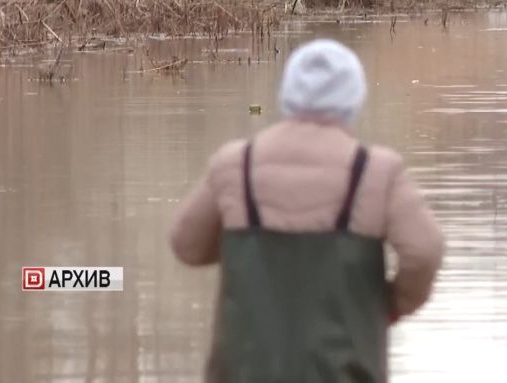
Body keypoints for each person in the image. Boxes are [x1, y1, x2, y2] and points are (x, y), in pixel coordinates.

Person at [168, 38, 445, 382]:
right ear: (354, 97)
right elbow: (425, 252)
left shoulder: (235, 164)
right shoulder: (377, 171)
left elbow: (187, 246)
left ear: (286, 92)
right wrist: (387, 306)